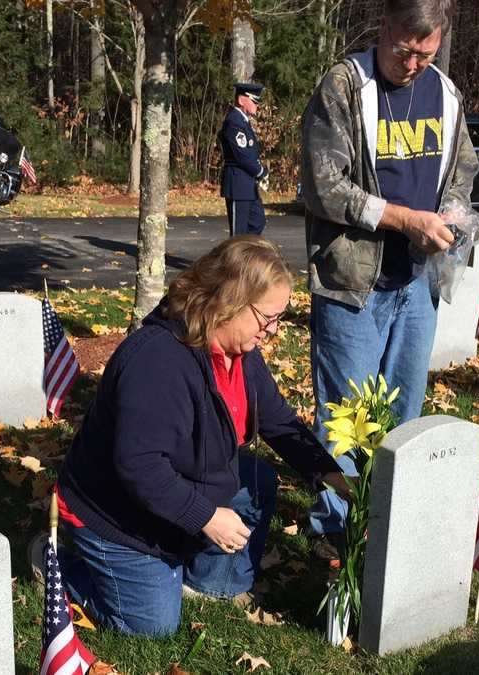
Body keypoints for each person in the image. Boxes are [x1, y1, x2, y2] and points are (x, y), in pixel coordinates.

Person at [53, 236, 349, 637]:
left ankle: (207, 583)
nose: (274, 330)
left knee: (256, 481)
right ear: (228, 300)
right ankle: (59, 567)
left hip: (173, 482)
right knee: (153, 626)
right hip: (113, 511)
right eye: (268, 318)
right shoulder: (158, 360)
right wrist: (205, 517)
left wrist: (332, 477)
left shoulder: (241, 353)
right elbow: (139, 467)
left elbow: (279, 420)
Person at [298, 0, 478, 537]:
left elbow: (463, 168)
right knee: (347, 425)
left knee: (403, 417)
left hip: (419, 281)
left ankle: (387, 536)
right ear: (384, 29)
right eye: (404, 50)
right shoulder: (344, 87)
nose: (414, 63)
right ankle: (335, 540)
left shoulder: (444, 94)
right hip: (354, 284)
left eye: (426, 53)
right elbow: (322, 187)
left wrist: (451, 212)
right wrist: (403, 220)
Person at [218, 82, 269, 236]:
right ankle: (232, 261)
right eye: (254, 101)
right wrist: (260, 172)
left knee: (257, 222)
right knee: (238, 234)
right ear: (241, 100)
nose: (257, 105)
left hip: (247, 185)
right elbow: (242, 155)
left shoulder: (242, 121)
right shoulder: (234, 121)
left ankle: (246, 259)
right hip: (238, 183)